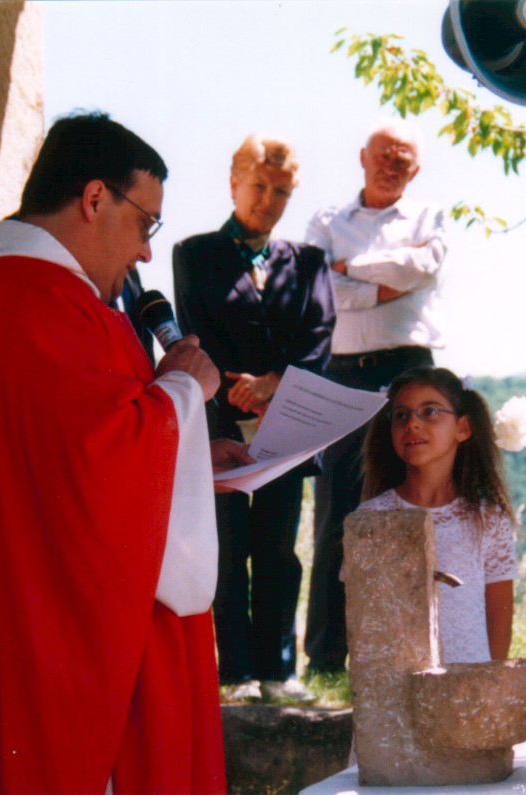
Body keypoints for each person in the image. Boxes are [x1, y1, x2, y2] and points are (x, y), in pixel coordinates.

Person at [0, 111, 250, 795]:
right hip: (58, 654)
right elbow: (99, 459)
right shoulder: (53, 304)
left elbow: (57, 468)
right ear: (93, 198)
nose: (145, 254)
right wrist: (184, 387)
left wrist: (191, 460)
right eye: (145, 224)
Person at [174, 133, 335, 702]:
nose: (268, 200)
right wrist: (244, 388)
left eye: (281, 192)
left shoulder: (309, 263)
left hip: (286, 428)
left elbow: (319, 338)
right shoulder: (194, 254)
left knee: (278, 552)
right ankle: (235, 673)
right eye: (259, 186)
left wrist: (276, 384)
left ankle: (278, 671)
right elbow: (196, 330)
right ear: (234, 184)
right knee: (227, 546)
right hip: (221, 425)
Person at [303, 118, 447, 674]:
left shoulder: (428, 217)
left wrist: (351, 270)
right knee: (337, 512)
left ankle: (409, 655)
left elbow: (423, 267)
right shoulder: (328, 220)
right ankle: (325, 658)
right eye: (383, 154)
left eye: (402, 158)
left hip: (410, 370)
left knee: (414, 506)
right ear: (363, 157)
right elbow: (318, 287)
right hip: (341, 372)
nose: (391, 165)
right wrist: (385, 284)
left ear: (416, 169)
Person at [357, 367, 518, 663]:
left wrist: (491, 680)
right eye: (401, 415)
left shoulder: (488, 519)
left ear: (463, 428)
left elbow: (499, 618)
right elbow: (363, 616)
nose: (412, 423)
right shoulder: (372, 517)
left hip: (471, 679)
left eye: (429, 411)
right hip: (399, 680)